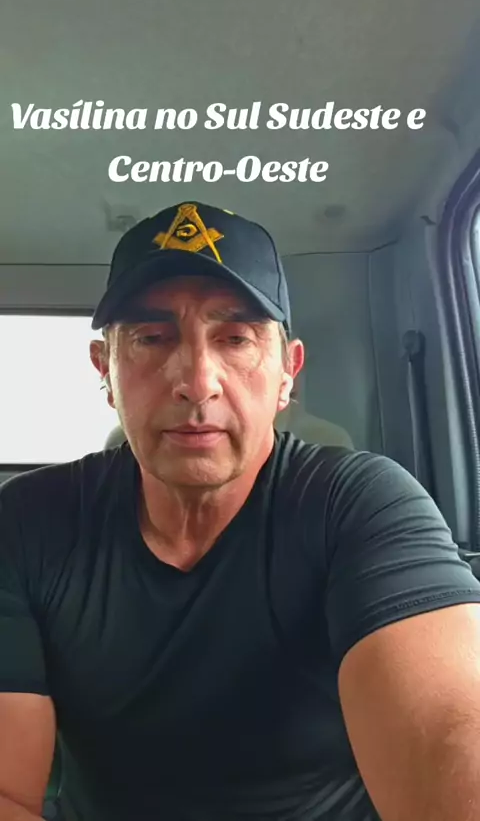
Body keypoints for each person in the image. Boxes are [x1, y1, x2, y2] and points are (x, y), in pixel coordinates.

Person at [1, 201, 480, 821]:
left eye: (235, 340)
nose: (197, 381)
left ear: (287, 374)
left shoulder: (360, 505)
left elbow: (451, 734)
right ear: (105, 371)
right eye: (151, 338)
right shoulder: (27, 521)